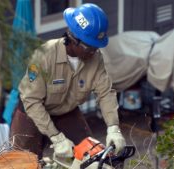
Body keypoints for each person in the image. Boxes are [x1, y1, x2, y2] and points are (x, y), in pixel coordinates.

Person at [11, 3, 126, 160]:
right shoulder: (44, 55)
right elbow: (31, 100)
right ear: (73, 39)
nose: (94, 51)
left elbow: (105, 92)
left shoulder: (95, 58)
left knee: (92, 156)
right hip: (32, 113)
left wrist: (114, 127)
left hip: (66, 112)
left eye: (96, 47)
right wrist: (56, 137)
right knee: (23, 162)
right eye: (90, 47)